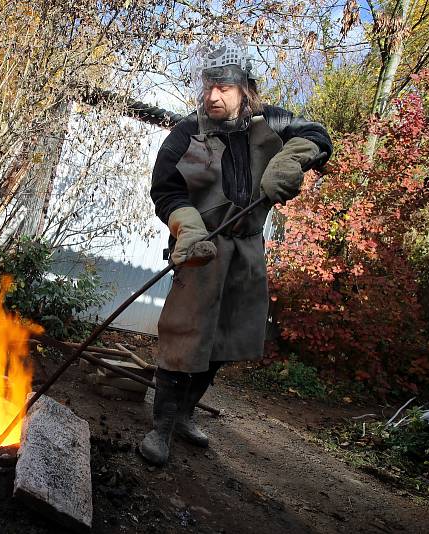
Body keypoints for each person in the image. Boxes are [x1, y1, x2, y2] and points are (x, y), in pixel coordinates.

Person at [139, 38, 332, 466]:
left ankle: (186, 415)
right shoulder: (188, 132)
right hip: (201, 248)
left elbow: (317, 135)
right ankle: (161, 428)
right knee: (183, 337)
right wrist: (186, 228)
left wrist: (294, 158)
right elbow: (165, 190)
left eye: (223, 87)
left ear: (244, 87)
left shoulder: (273, 121)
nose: (212, 95)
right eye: (208, 85)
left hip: (247, 248)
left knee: (225, 340)